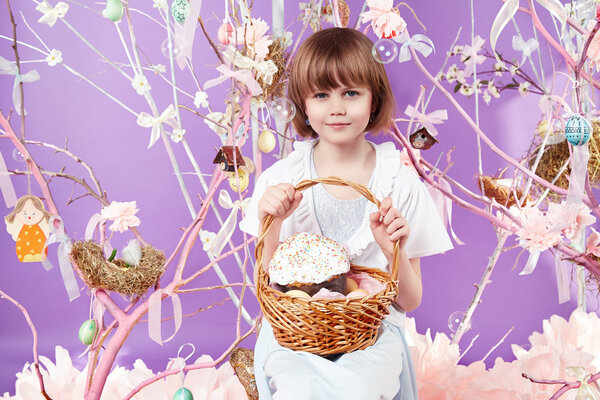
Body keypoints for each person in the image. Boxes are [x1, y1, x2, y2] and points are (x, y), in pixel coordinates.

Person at [239, 27, 452, 400]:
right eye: (321, 94)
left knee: (358, 388)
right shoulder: (282, 180)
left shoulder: (399, 183)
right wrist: (269, 225)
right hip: (295, 334)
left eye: (351, 92)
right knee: (299, 387)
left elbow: (411, 301)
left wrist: (392, 251)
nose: (336, 107)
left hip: (371, 333)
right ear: (304, 104)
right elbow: (268, 291)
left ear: (374, 100)